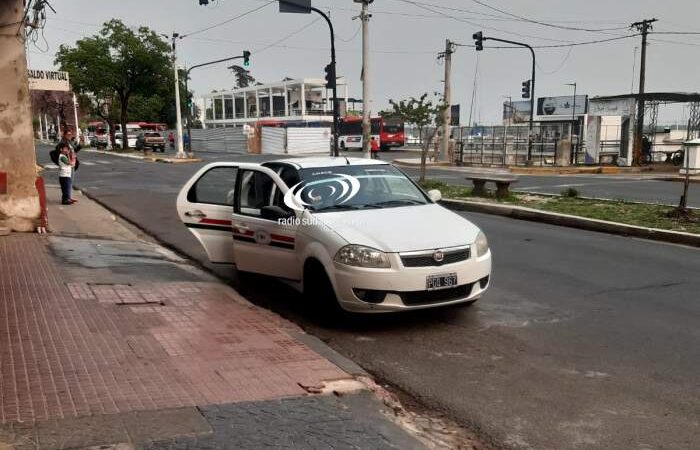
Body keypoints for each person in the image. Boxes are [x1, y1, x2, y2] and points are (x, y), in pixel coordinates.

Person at [55, 129, 81, 202]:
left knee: (70, 181)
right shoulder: (62, 143)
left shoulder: (70, 142)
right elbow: (60, 153)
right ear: (64, 135)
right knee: (67, 182)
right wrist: (64, 161)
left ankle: (69, 197)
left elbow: (75, 150)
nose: (69, 136)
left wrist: (80, 144)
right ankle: (67, 198)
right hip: (67, 164)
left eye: (70, 135)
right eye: (68, 135)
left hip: (71, 164)